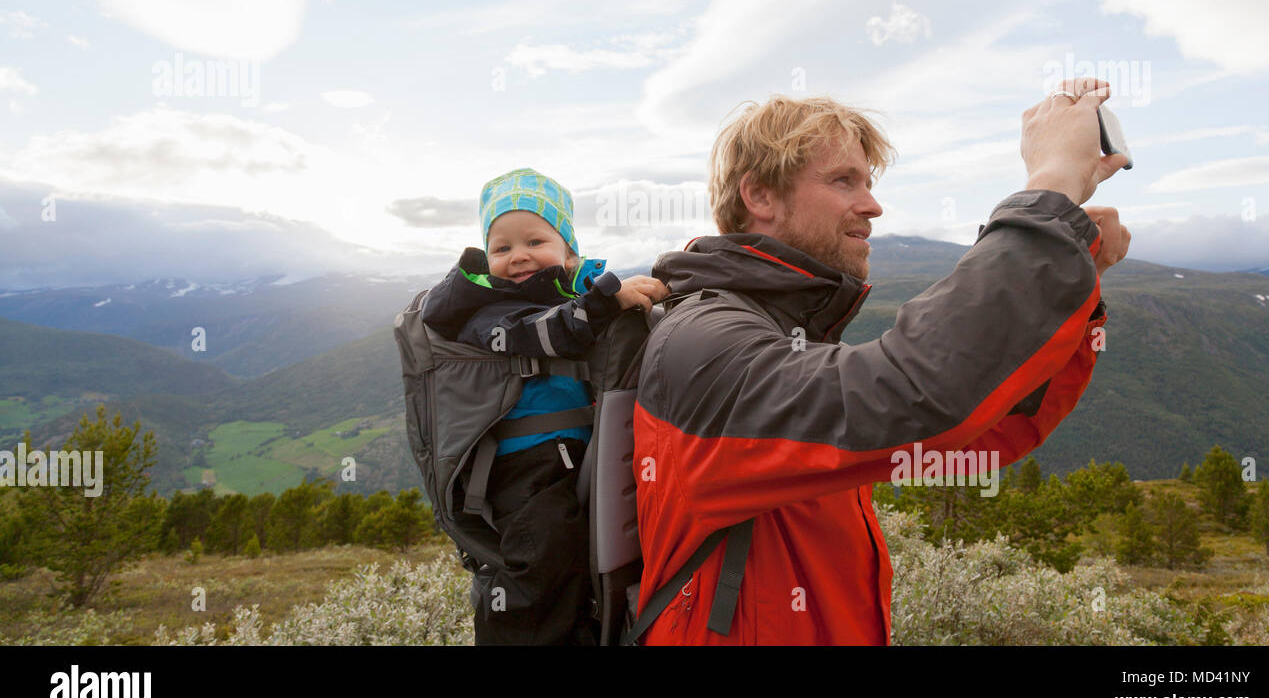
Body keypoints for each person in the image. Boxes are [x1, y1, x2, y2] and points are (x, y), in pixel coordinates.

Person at [633, 81, 1132, 645]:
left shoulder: (789, 335)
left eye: (868, 182)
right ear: (761, 196)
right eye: (843, 180)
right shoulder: (703, 343)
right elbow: (914, 389)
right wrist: (1051, 189)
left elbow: (984, 432)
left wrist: (1078, 276)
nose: (872, 205)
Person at [420, 167, 667, 644]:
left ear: (568, 250)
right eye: (502, 247)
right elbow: (539, 333)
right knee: (544, 549)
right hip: (522, 462)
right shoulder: (487, 307)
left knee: (584, 551)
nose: (518, 257)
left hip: (567, 453)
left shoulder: (558, 294)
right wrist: (601, 305)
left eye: (534, 241)